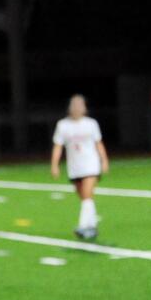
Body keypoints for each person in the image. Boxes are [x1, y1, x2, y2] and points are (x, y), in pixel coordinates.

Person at [51, 94, 109, 240]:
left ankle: (83, 226)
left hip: (91, 164)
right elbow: (58, 146)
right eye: (74, 105)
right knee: (84, 197)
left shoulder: (91, 124)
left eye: (80, 105)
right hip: (75, 167)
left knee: (87, 194)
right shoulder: (63, 125)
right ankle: (92, 225)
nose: (77, 108)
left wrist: (104, 160)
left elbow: (98, 143)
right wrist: (55, 165)